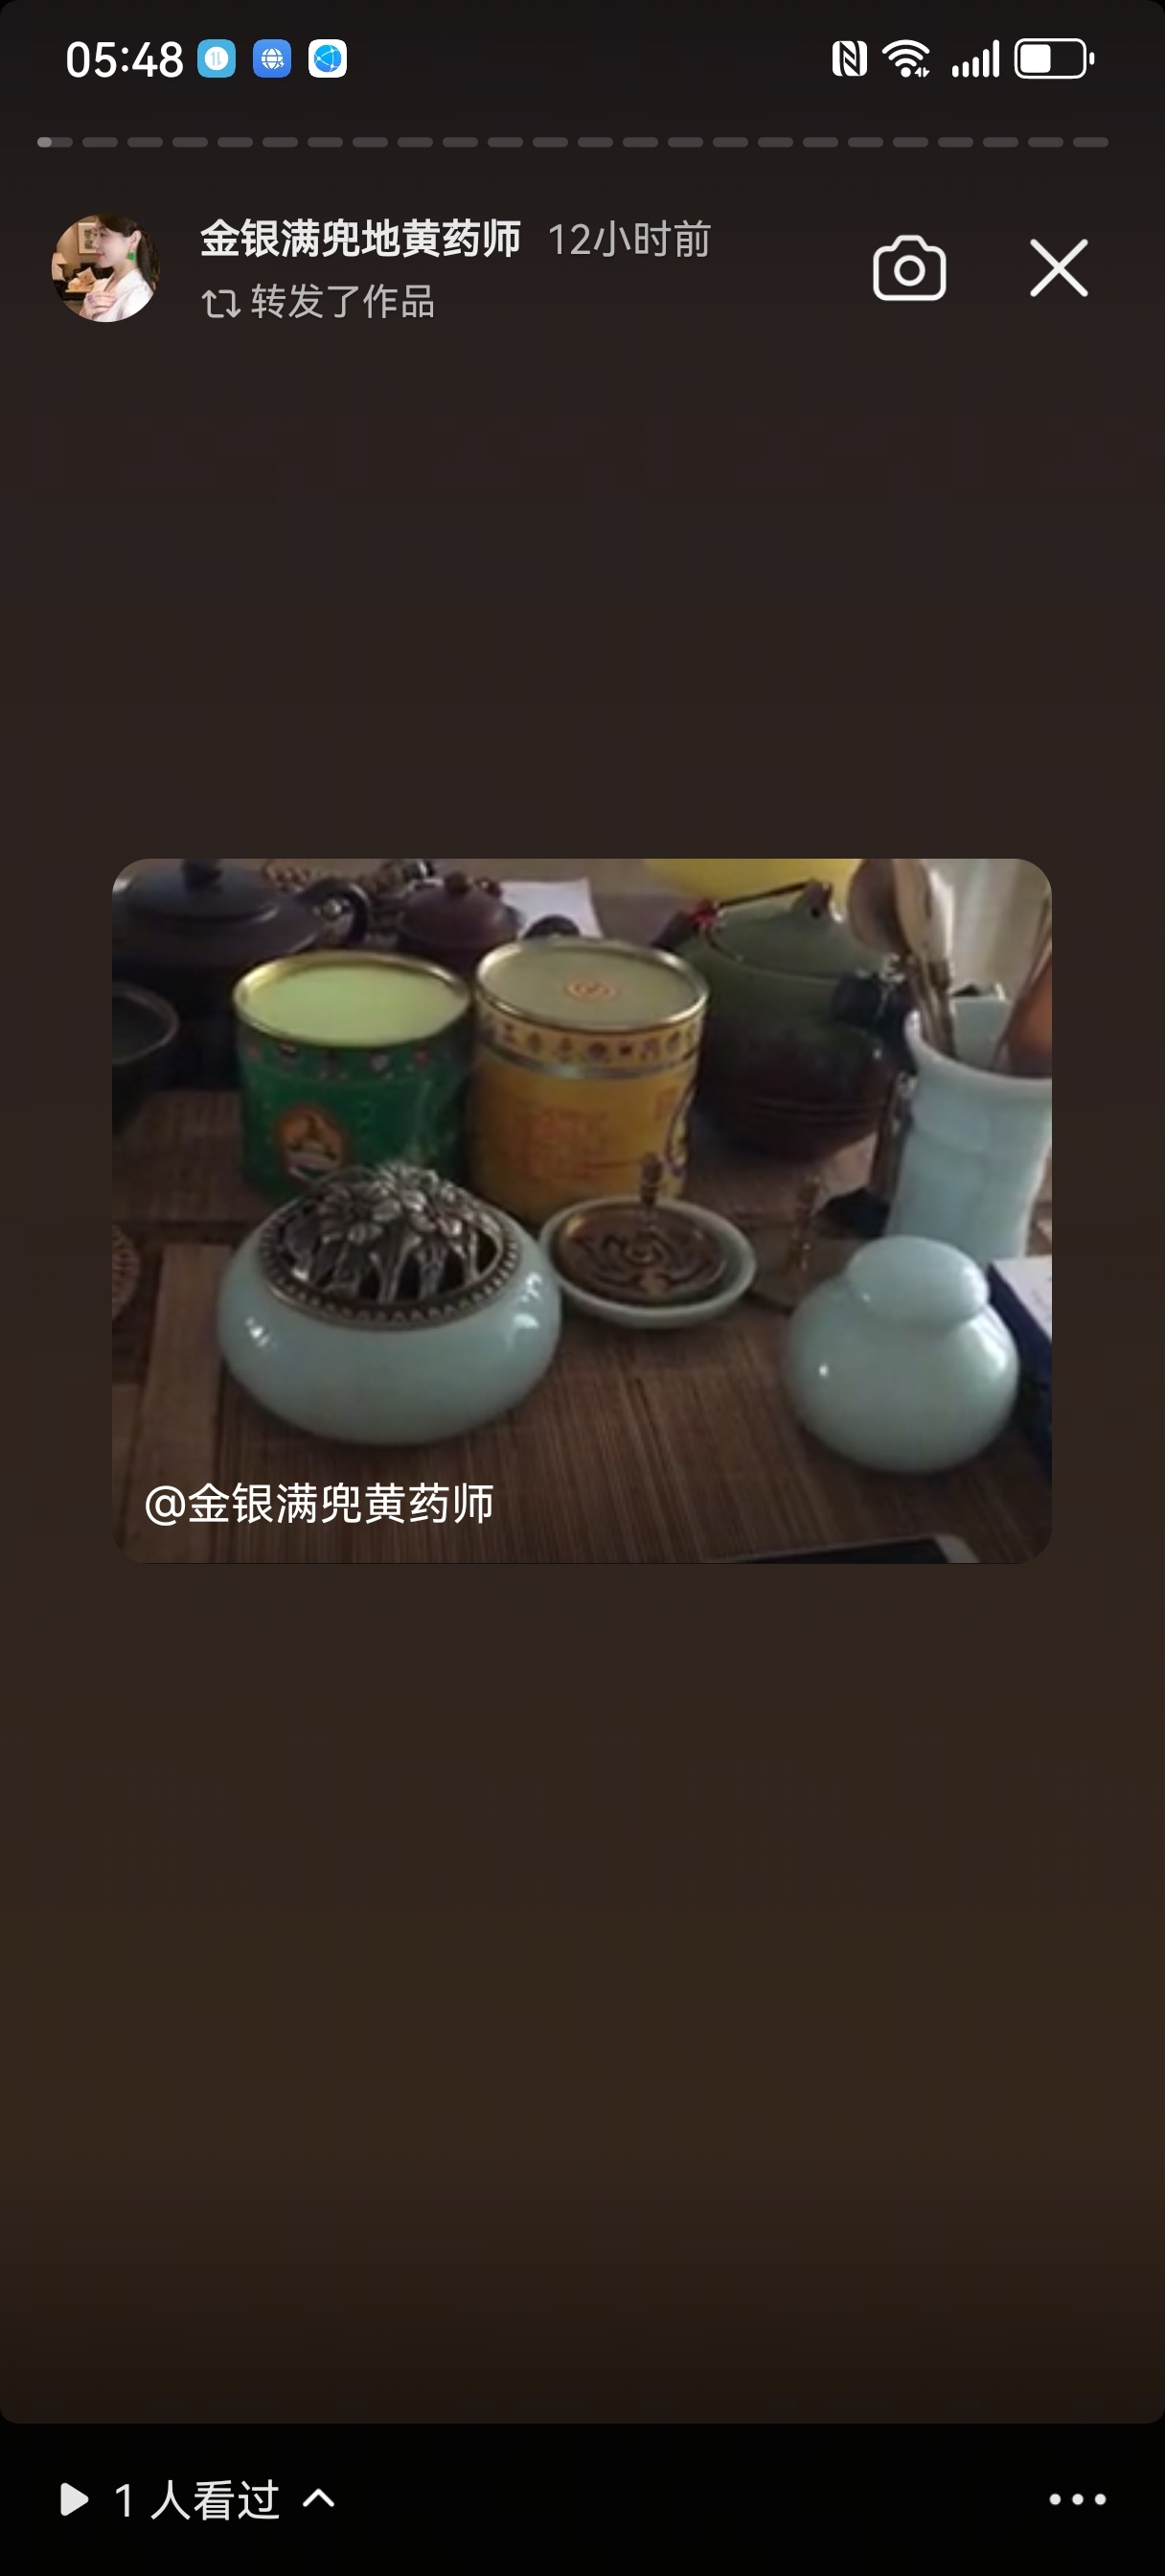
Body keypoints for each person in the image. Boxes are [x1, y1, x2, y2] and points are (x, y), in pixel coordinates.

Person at [80, 218, 158, 322]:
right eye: (95, 234)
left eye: (103, 234)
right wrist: (85, 313)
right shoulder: (102, 284)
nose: (94, 243)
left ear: (133, 239)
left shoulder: (137, 299)